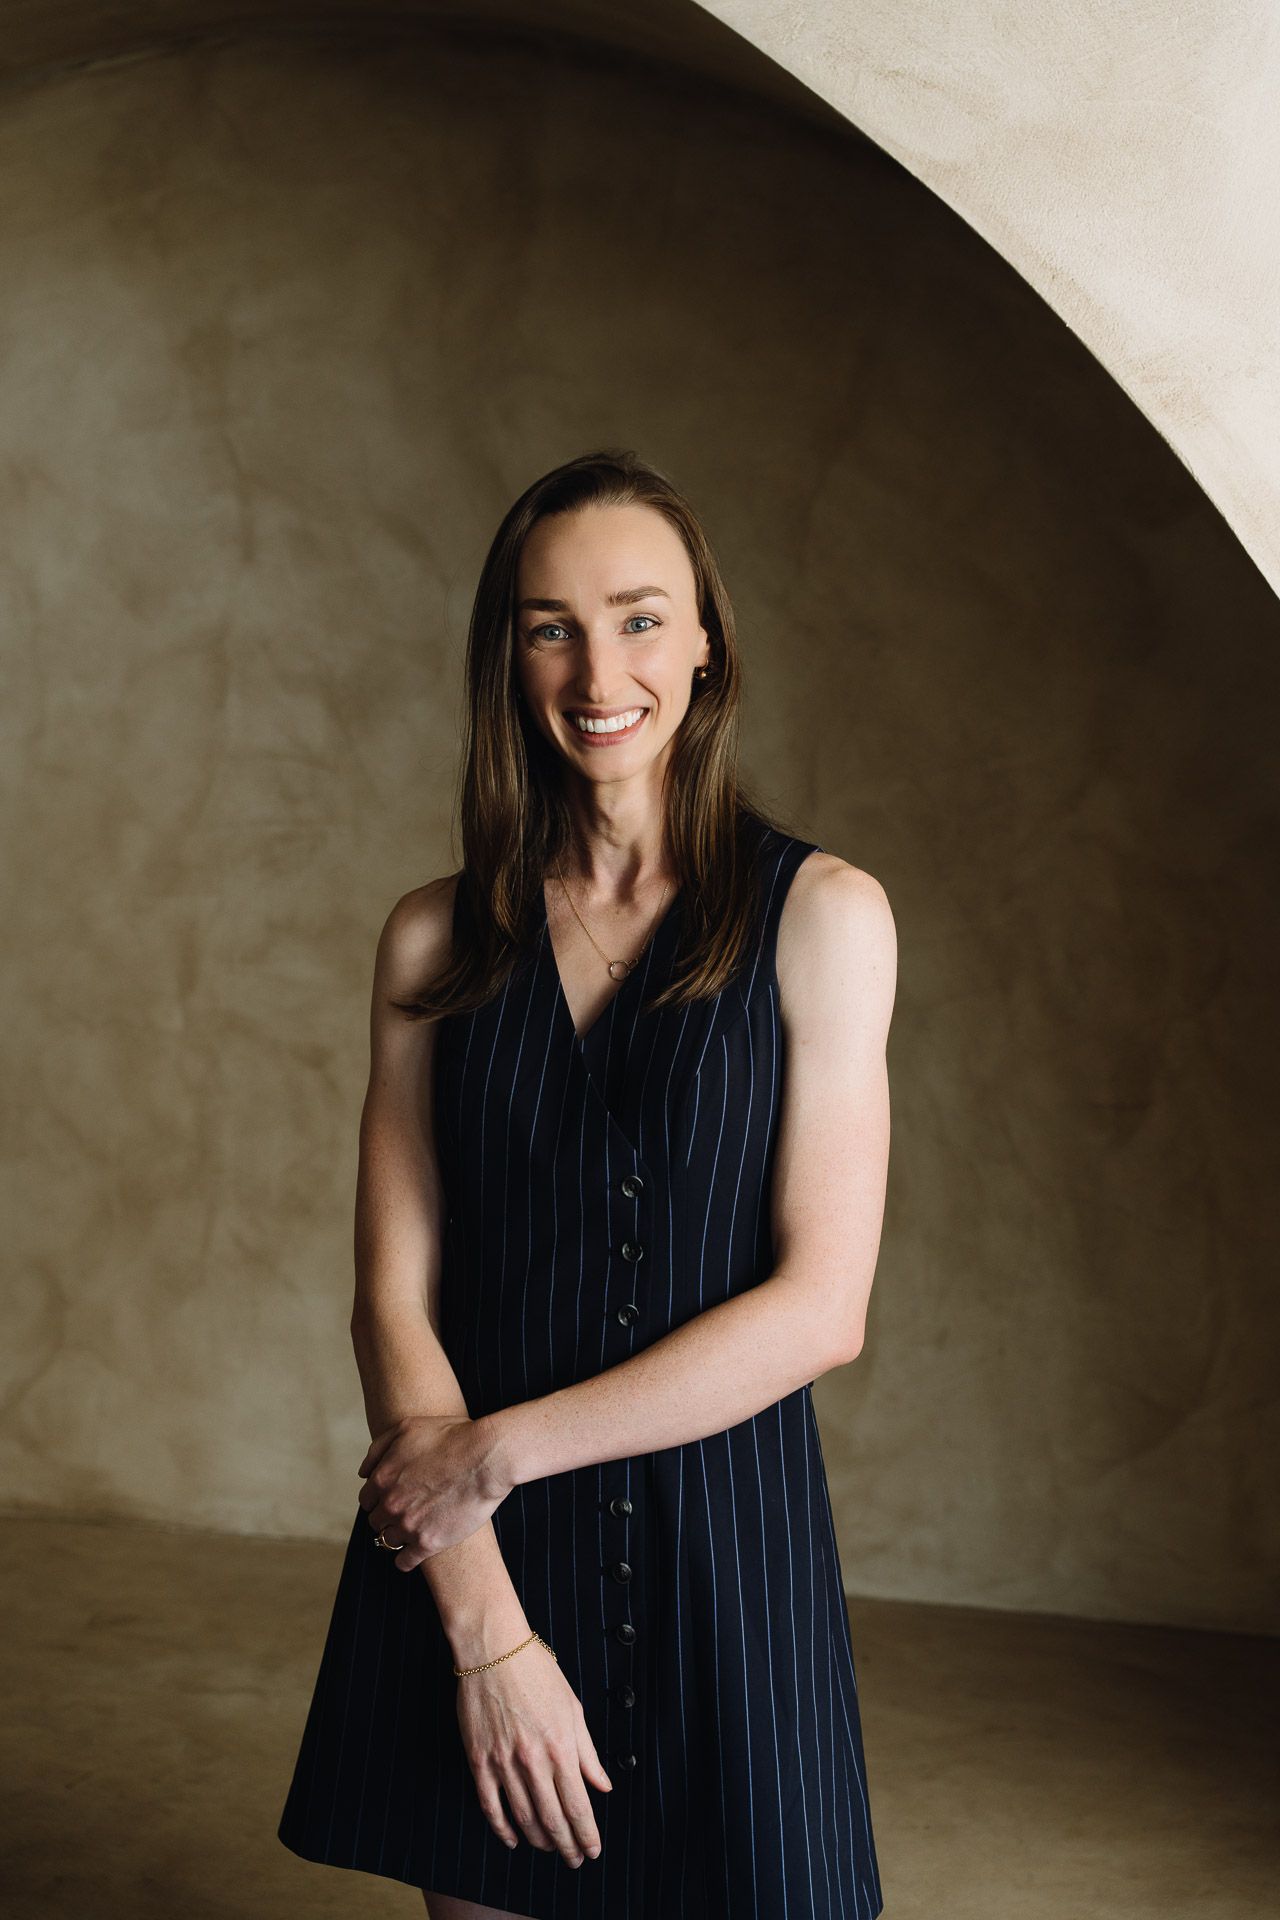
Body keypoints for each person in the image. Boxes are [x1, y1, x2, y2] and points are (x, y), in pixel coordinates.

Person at [277, 447, 895, 1920]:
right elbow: (391, 1300)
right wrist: (486, 1633)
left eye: (636, 616)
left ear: (704, 644)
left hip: (722, 1562)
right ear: (510, 656)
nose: (596, 665)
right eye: (550, 625)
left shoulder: (825, 919)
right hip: (480, 1561)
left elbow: (822, 1310)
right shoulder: (432, 942)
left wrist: (498, 1451)